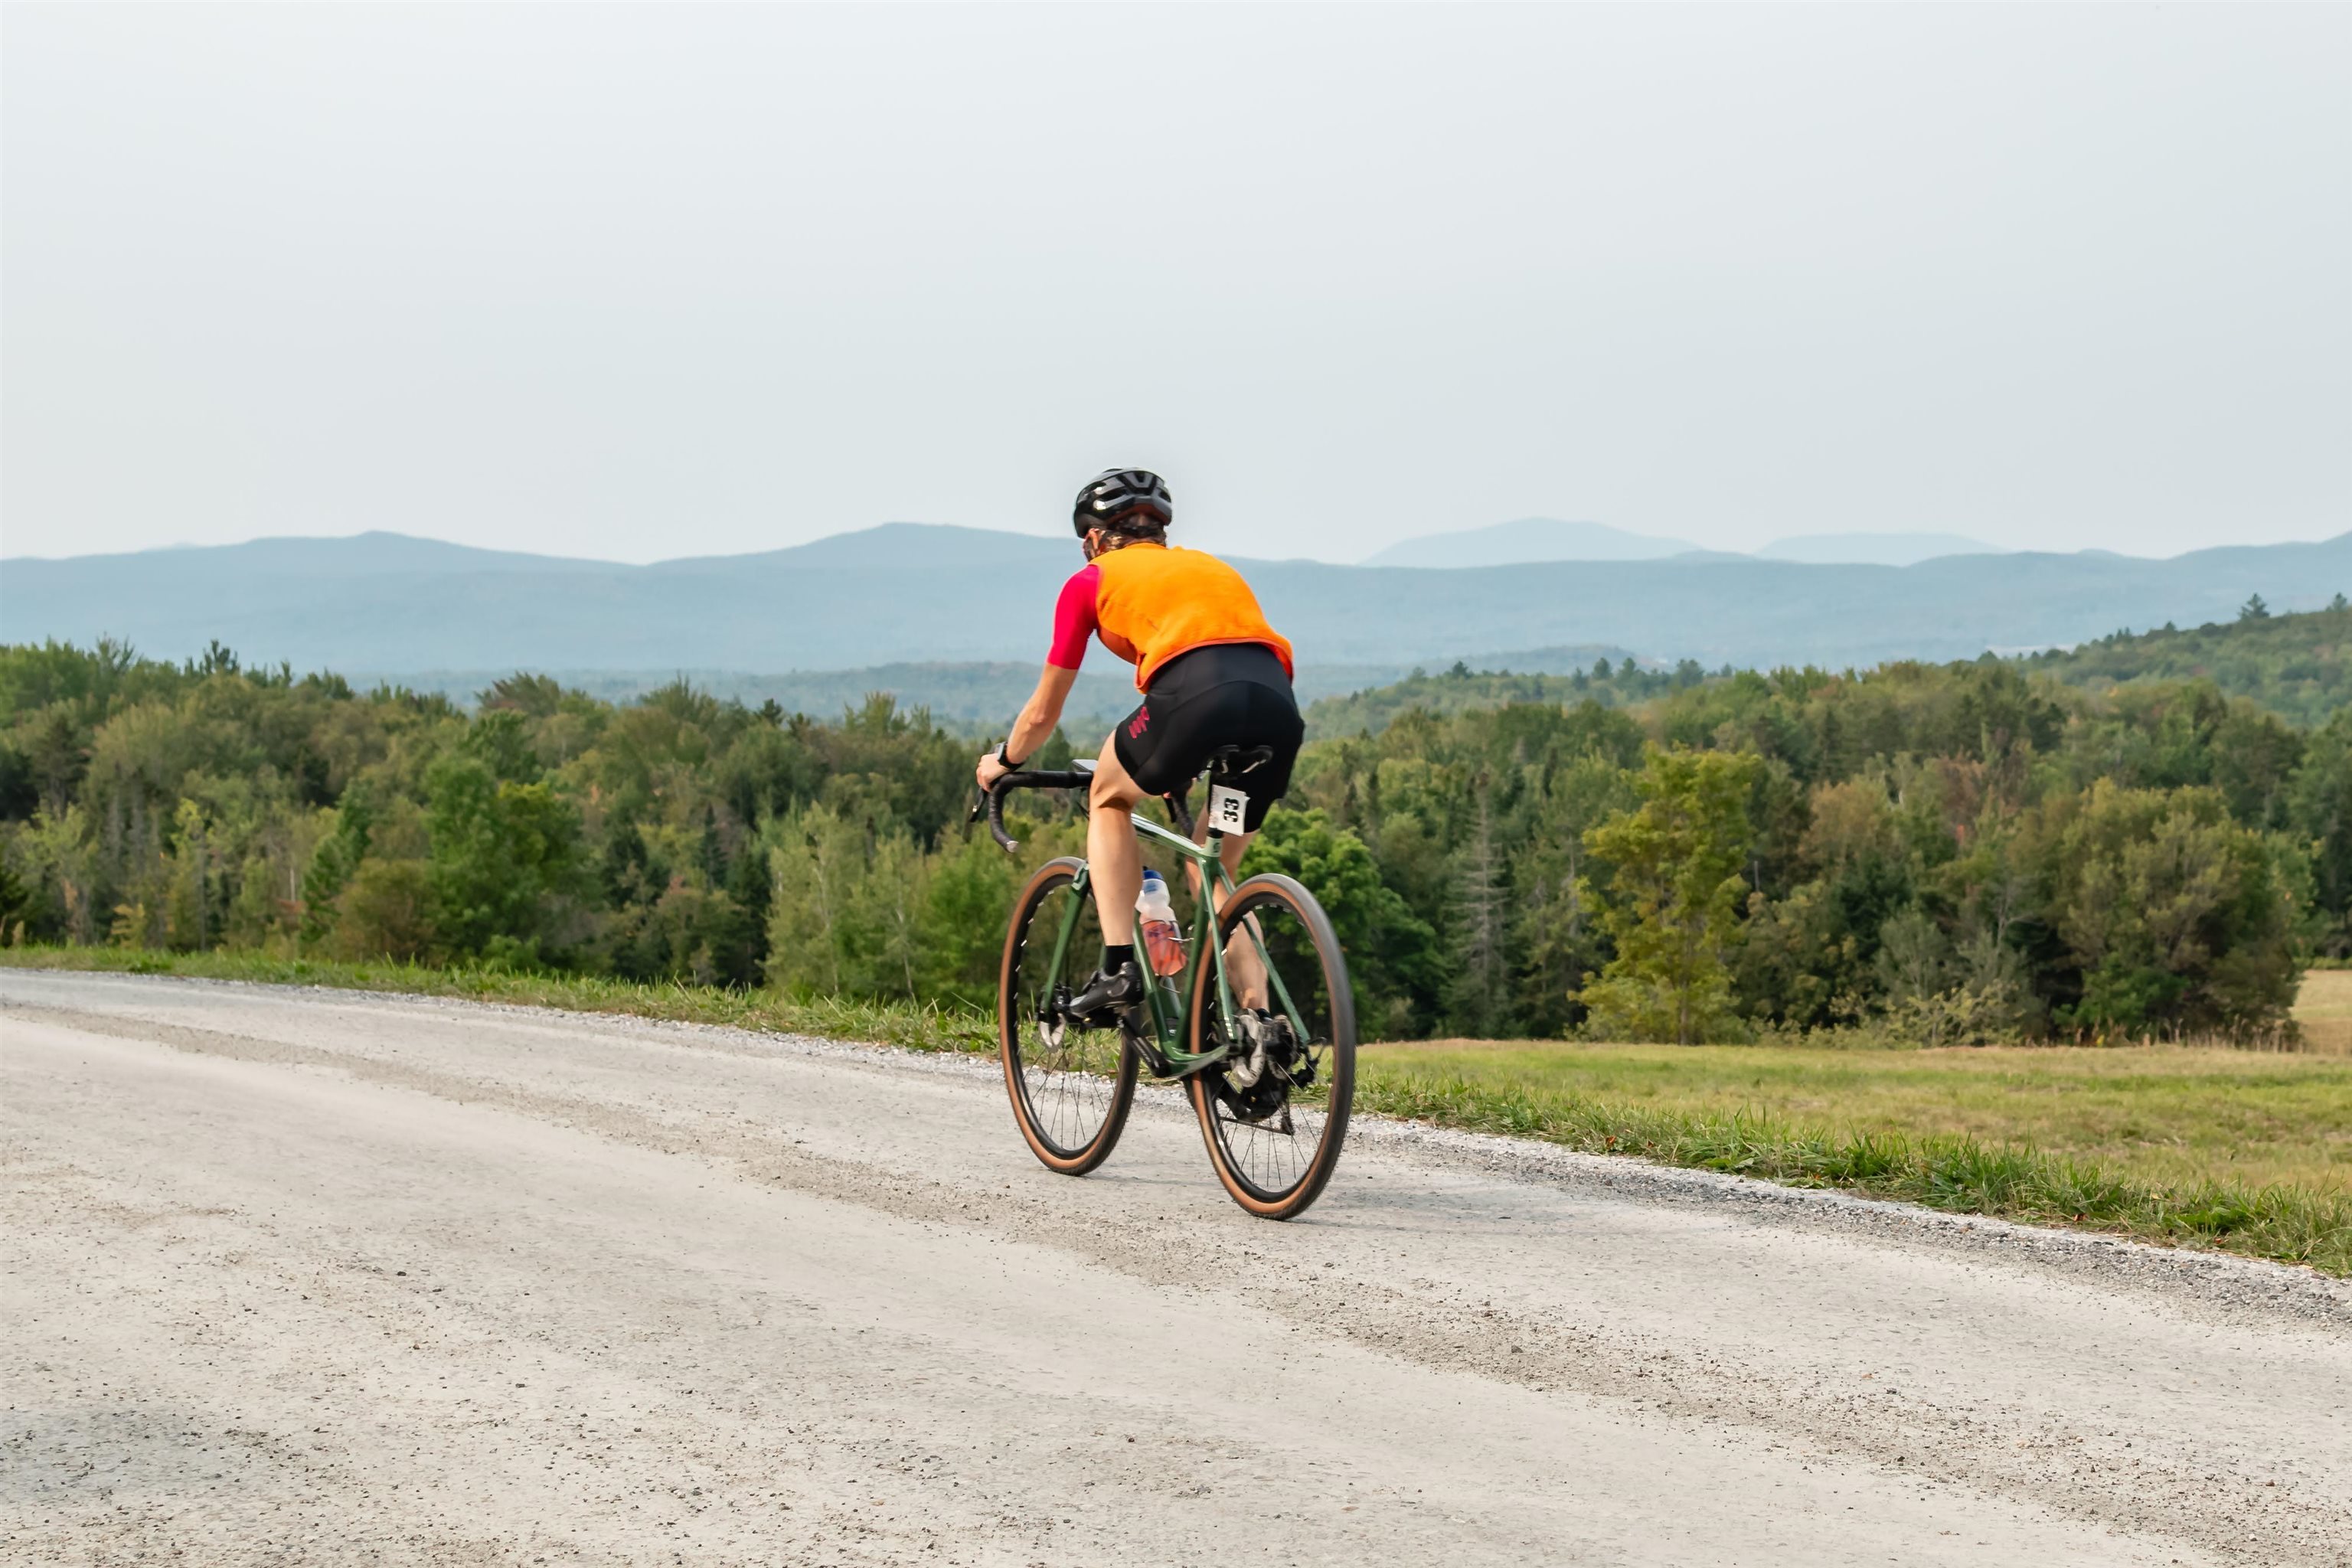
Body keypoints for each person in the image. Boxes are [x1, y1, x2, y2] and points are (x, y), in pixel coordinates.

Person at [974, 469, 1304, 1018]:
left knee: (1108, 797)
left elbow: (1043, 713)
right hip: (1276, 709)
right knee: (1211, 871)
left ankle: (1118, 969)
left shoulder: (1091, 580)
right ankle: (1259, 1028)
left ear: (1093, 539)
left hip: (1196, 699)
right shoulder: (1209, 567)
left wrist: (1003, 762)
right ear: (1159, 534)